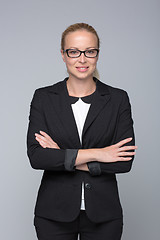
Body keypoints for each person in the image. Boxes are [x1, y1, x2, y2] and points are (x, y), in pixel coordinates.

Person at [27, 23, 137, 240]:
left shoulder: (117, 99)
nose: (82, 59)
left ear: (97, 54)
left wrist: (63, 155)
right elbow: (38, 157)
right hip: (53, 214)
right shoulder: (43, 98)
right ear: (63, 54)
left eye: (90, 51)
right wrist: (99, 153)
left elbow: (124, 162)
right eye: (74, 52)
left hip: (105, 215)